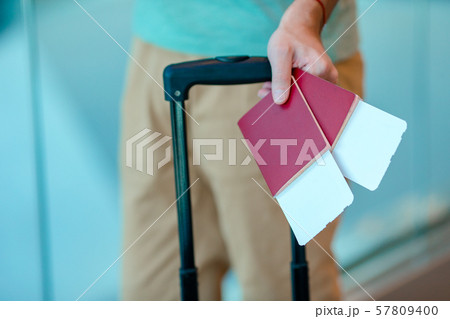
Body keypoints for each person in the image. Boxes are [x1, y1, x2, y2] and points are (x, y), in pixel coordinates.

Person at [121, 0, 364, 300]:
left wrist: (310, 12)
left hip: (280, 61)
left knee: (280, 292)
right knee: (155, 292)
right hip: (155, 46)